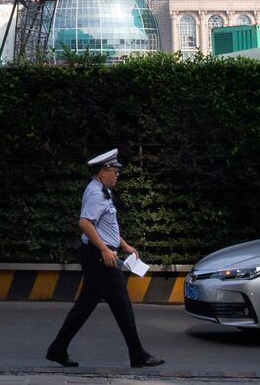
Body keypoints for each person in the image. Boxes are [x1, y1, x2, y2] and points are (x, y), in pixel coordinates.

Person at [45, 149, 165, 369]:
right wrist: (104, 250)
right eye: (114, 170)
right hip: (101, 259)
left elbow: (105, 226)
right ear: (102, 172)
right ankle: (138, 354)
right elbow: (85, 223)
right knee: (123, 306)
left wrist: (125, 246)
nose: (117, 174)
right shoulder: (96, 194)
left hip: (98, 256)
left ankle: (57, 349)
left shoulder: (102, 191)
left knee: (84, 307)